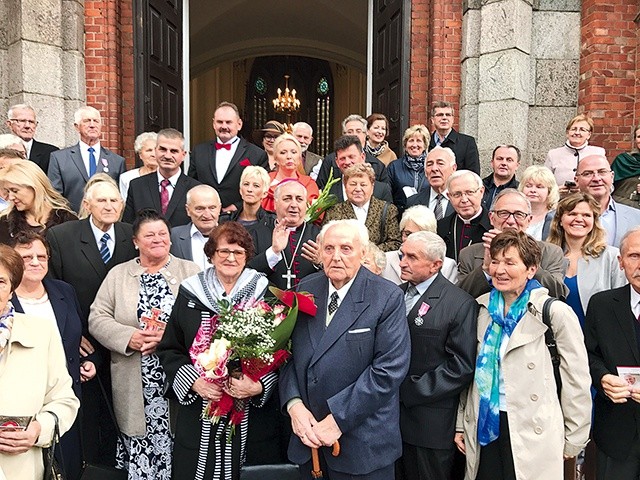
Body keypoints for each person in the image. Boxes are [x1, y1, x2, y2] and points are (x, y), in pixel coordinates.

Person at [454, 230, 591, 480]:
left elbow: (576, 378)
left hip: (534, 429)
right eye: (495, 261)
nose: (499, 269)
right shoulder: (481, 309)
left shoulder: (554, 313)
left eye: (510, 262)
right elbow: (471, 373)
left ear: (531, 269)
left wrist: (574, 436)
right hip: (487, 425)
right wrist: (463, 423)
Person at [280, 219, 410, 479]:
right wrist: (294, 405)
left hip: (362, 446)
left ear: (363, 253)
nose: (336, 257)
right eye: (328, 249)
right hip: (309, 439)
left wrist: (337, 418)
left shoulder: (387, 297)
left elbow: (388, 371)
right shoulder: (305, 289)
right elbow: (288, 355)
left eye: (346, 249)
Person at [157, 222, 275, 480]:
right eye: (223, 251)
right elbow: (170, 348)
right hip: (200, 406)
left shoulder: (263, 291)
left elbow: (279, 351)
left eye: (238, 252)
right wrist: (194, 382)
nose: (230, 258)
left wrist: (258, 386)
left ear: (247, 257)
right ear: (211, 254)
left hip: (248, 411)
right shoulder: (190, 292)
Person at [89, 209, 199, 478]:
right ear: (136, 241)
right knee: (140, 447)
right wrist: (130, 338)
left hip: (178, 377)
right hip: (134, 377)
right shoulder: (118, 275)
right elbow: (97, 317)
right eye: (149, 235)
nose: (158, 239)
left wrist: (168, 337)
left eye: (163, 234)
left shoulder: (190, 271)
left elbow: (205, 321)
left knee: (182, 450)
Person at [46, 180, 138, 466]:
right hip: (83, 342)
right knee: (86, 418)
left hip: (125, 342)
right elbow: (56, 289)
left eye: (115, 201)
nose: (110, 207)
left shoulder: (130, 234)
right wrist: (74, 333)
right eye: (102, 201)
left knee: (121, 416)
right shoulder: (61, 236)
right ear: (87, 205)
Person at [10, 231, 95, 480]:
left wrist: (88, 362)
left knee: (65, 469)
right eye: (26, 257)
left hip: (64, 399)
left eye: (41, 256)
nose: (36, 262)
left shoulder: (63, 291)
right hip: (22, 407)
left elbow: (78, 338)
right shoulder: (5, 299)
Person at [398, 231, 478, 480]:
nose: (402, 262)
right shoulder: (394, 294)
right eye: (402, 255)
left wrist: (408, 390)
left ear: (436, 265)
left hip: (429, 425)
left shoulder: (459, 303)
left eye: (412, 257)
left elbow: (461, 366)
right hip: (392, 422)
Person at [0, 244, 79, 480]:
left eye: (1, 282)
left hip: (22, 468)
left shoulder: (41, 332)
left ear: (12, 290)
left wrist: (39, 430)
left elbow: (64, 399)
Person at [584, 226, 640, 479]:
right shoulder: (602, 304)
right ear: (621, 261)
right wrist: (603, 378)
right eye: (634, 256)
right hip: (617, 434)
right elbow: (589, 355)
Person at [457, 189, 568, 300]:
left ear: (528, 220)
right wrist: (486, 269)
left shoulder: (551, 252)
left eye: (518, 214)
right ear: (491, 218)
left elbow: (558, 294)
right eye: (503, 213)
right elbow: (459, 298)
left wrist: (528, 261)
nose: (510, 221)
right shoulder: (469, 254)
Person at [547, 193, 627, 326]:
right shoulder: (547, 257)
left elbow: (622, 305)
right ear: (560, 220)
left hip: (598, 340)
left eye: (586, 215)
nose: (579, 219)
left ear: (594, 221)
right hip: (556, 340)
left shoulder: (611, 257)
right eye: (572, 214)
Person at [188, 101, 269, 212]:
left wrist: (238, 206)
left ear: (239, 124)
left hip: (240, 216)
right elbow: (191, 184)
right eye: (220, 122)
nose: (224, 126)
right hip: (205, 216)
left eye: (228, 122)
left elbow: (263, 188)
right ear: (214, 124)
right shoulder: (199, 151)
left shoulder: (257, 154)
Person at [48, 105, 126, 213]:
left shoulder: (117, 161)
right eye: (87, 121)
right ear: (76, 126)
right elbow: (54, 197)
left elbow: (119, 197)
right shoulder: (59, 159)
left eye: (96, 121)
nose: (92, 125)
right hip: (71, 223)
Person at [249, 180, 321, 289]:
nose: (294, 204)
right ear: (275, 204)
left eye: (299, 199)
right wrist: (273, 252)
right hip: (266, 303)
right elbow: (247, 275)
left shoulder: (320, 235)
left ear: (306, 205)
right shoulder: (255, 234)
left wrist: (320, 263)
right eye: (287, 199)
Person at [124, 128, 200, 227]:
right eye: (163, 149)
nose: (168, 156)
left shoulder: (195, 189)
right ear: (155, 151)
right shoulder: (137, 186)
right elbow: (128, 226)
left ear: (183, 155)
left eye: (174, 151)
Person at [324, 163, 401, 252]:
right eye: (353, 184)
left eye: (363, 185)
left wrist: (368, 252)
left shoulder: (387, 210)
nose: (358, 189)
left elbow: (395, 242)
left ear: (372, 187)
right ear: (345, 187)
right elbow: (326, 243)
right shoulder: (333, 212)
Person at [0, 160, 77, 244]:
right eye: (8, 191)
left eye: (15, 191)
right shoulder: (5, 223)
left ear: (34, 187)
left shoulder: (68, 221)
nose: (10, 197)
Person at [574, 154, 640, 248]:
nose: (596, 179)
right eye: (588, 173)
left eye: (602, 172)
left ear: (612, 176)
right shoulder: (557, 217)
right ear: (576, 180)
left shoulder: (637, 217)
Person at [315, 114, 389, 188]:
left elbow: (383, 192)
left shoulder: (378, 166)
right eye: (350, 132)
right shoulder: (330, 161)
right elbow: (320, 188)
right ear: (344, 134)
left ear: (366, 134)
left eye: (358, 131)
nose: (354, 135)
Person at [437, 170, 491, 261]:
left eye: (470, 192)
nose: (464, 199)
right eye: (457, 194)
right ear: (449, 196)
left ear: (481, 192)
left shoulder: (494, 226)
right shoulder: (441, 227)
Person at [545, 114, 605, 192]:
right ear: (567, 132)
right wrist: (555, 191)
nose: (577, 133)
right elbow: (543, 183)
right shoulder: (553, 154)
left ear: (589, 135)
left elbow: (607, 184)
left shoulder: (598, 153)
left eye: (582, 130)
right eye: (573, 129)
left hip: (589, 201)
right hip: (561, 201)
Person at [261, 134, 319, 213]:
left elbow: (316, 213)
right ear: (276, 158)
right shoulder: (264, 182)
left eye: (293, 152)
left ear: (299, 158)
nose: (289, 156)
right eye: (283, 152)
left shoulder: (309, 184)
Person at [326, 136, 392, 203]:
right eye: (342, 158)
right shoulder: (328, 192)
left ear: (363, 157)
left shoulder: (382, 190)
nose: (347, 162)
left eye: (351, 157)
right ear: (337, 162)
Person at [170, 185, 222, 270]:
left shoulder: (233, 236)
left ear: (219, 208)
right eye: (200, 209)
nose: (207, 215)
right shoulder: (173, 237)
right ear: (188, 210)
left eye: (212, 208)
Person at [387, 124, 430, 211]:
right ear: (405, 145)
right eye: (411, 141)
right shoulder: (394, 167)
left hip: (427, 215)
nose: (414, 145)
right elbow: (388, 195)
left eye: (419, 141)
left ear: (425, 145)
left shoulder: (431, 166)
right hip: (401, 216)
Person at [405, 146, 456, 220]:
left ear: (453, 169)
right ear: (425, 172)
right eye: (429, 164)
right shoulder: (413, 202)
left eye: (440, 163)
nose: (434, 169)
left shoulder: (463, 201)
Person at [428, 101, 480, 174]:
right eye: (440, 115)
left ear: (453, 119)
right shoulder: (426, 143)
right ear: (433, 120)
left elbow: (473, 175)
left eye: (448, 115)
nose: (444, 118)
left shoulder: (467, 143)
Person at [219, 165, 274, 233]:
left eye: (256, 186)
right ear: (240, 190)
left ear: (265, 193)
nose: (249, 189)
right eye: (246, 184)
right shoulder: (225, 220)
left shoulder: (272, 223)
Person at [5, 104, 58, 172]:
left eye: (31, 122)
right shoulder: (2, 149)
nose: (27, 126)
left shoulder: (51, 153)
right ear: (9, 124)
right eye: (22, 121)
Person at [518, 165, 559, 240]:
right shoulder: (513, 215)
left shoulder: (556, 218)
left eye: (539, 187)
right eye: (528, 186)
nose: (533, 190)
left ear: (549, 191)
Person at [119, 131, 158, 201]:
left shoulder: (167, 177)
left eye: (156, 150)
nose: (153, 154)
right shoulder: (127, 178)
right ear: (140, 154)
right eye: (149, 150)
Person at [481, 145, 520, 210]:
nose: (504, 163)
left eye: (509, 160)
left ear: (517, 165)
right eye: (499, 159)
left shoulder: (520, 191)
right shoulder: (478, 186)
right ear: (492, 163)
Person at [611, 124, 640, 208]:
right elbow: (608, 186)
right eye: (639, 136)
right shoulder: (623, 160)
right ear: (635, 139)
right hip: (623, 207)